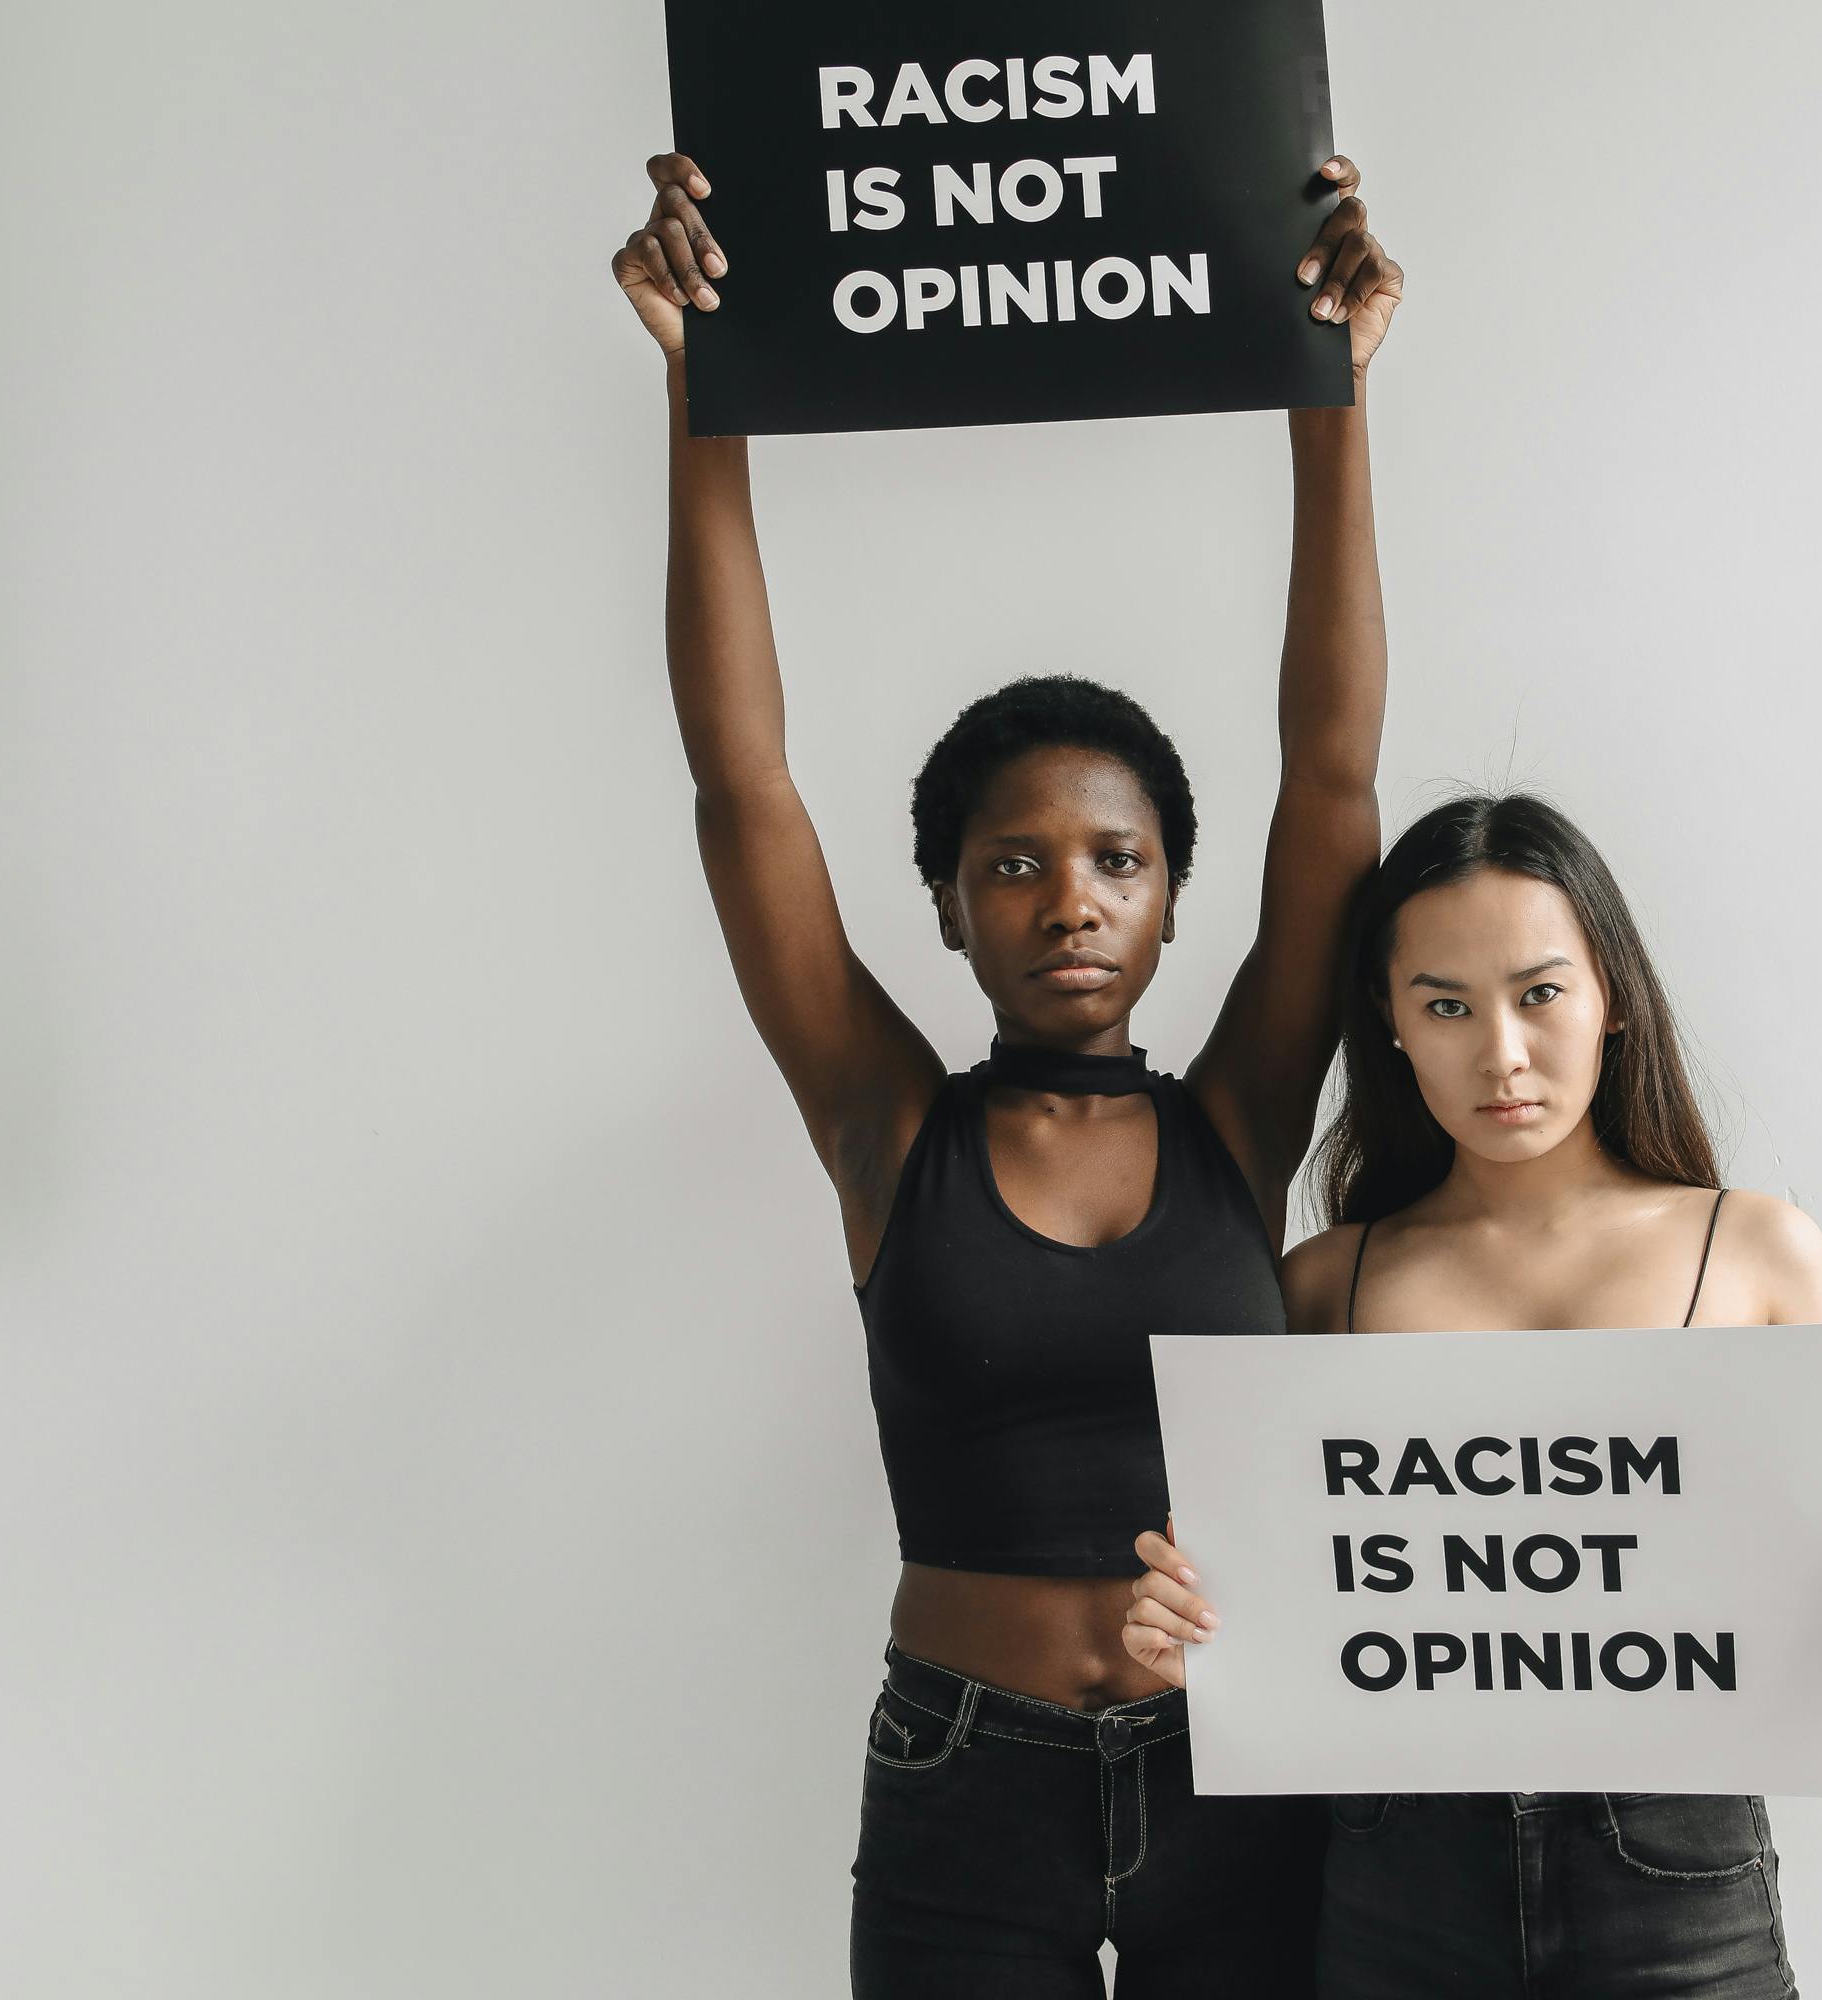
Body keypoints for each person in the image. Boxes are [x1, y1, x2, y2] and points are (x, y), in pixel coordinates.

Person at [609, 148, 1404, 1997]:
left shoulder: (1238, 1119)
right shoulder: (888, 1124)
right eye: (1014, 865)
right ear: (950, 910)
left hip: (1243, 1769)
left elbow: (1337, 785)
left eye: (1118, 861)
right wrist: (700, 395)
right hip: (966, 1774)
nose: (1070, 900)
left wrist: (1331, 399)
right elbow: (747, 786)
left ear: (1179, 900)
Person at [1121, 793, 1822, 2000]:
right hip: (1394, 1884)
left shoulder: (1762, 1250)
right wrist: (1196, 1642)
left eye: (1541, 992)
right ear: (1393, 1022)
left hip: (1679, 1884)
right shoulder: (1327, 1279)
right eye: (1446, 1004)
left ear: (1612, 994)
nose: (1501, 1053)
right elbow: (1288, 1630)